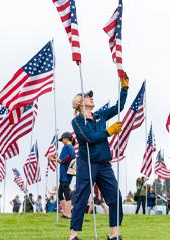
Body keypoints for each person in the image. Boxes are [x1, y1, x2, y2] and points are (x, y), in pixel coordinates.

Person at [69, 73, 129, 240]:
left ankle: (113, 235)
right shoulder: (77, 121)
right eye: (88, 97)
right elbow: (88, 138)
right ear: (80, 103)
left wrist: (125, 87)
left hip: (103, 163)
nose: (91, 98)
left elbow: (120, 106)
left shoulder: (100, 115)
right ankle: (73, 236)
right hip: (86, 163)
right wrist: (109, 131)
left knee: (115, 197)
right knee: (81, 198)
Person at [50, 132, 76, 219]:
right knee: (60, 193)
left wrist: (53, 159)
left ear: (66, 139)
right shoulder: (71, 147)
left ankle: (69, 214)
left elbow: (63, 160)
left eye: (62, 140)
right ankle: (65, 213)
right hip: (66, 173)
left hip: (65, 173)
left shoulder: (66, 147)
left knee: (66, 193)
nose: (62, 141)